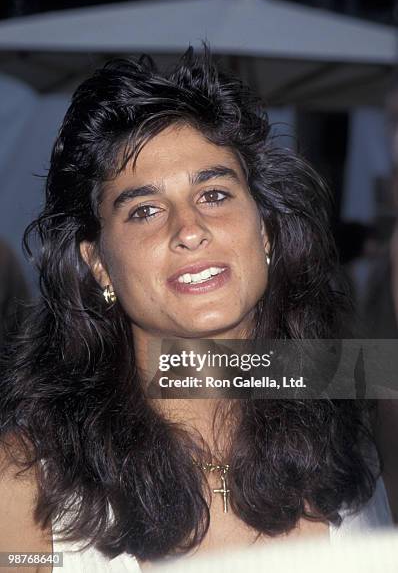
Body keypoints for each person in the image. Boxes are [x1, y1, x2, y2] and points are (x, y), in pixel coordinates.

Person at [0, 48, 393, 572]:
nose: (188, 230)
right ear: (98, 266)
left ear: (266, 231)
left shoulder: (367, 434)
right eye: (144, 210)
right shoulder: (26, 484)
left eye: (213, 194)